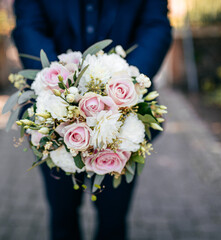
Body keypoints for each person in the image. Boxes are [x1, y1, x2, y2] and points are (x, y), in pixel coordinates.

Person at [12, 0, 172, 239]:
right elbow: (29, 26)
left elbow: (155, 27)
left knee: (114, 220)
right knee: (62, 216)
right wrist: (59, 90)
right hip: (52, 118)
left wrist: (126, 86)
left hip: (125, 119)